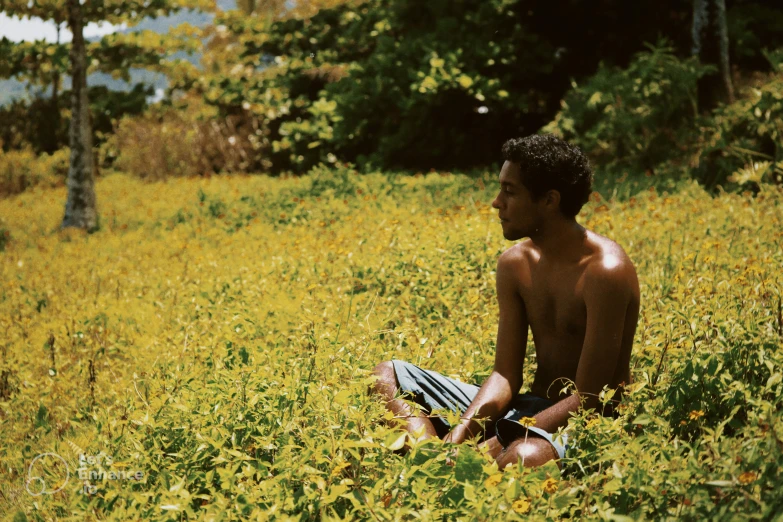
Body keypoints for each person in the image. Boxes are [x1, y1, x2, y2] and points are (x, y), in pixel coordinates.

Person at [371, 134, 641, 470]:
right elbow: (504, 375)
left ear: (549, 200)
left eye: (510, 192)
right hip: (528, 406)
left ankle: (454, 469)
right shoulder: (515, 263)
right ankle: (435, 463)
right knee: (384, 376)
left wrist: (501, 437)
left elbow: (589, 399)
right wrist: (458, 439)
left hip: (587, 419)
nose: (497, 203)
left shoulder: (605, 271)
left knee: (522, 458)